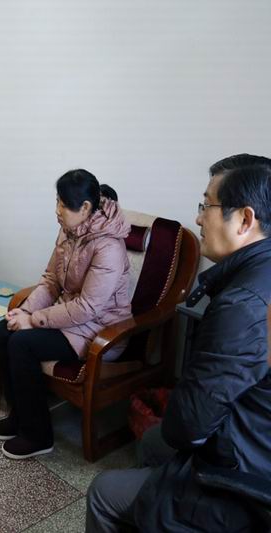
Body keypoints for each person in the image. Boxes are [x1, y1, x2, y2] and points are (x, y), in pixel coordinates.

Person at [86, 155, 271, 532]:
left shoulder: (242, 306)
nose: (199, 218)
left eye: (207, 205)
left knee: (104, 492)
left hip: (245, 472)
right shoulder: (257, 278)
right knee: (153, 441)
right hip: (254, 435)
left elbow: (189, 426)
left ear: (245, 220)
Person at [0, 170, 130, 460]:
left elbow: (88, 308)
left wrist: (34, 321)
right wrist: (25, 311)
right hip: (70, 320)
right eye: (57, 201)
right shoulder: (69, 231)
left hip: (99, 330)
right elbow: (51, 281)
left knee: (22, 344)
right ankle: (19, 416)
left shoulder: (109, 247)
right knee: (4, 329)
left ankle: (38, 435)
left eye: (63, 205)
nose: (57, 210)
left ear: (85, 208)